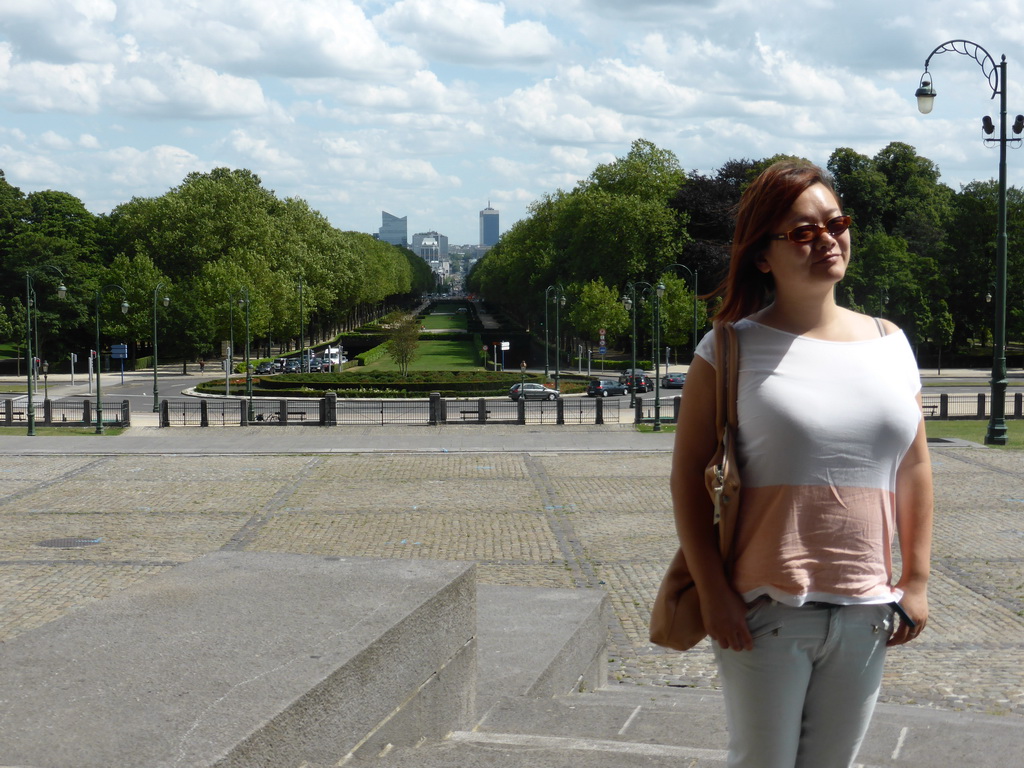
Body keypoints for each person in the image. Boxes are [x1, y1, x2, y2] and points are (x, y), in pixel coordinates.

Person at [669, 160, 933, 768]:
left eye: (835, 222)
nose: (827, 240)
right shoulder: (730, 347)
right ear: (763, 255)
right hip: (763, 609)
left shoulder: (891, 344)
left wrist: (915, 581)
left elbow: (914, 470)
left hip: (868, 609)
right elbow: (688, 476)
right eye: (801, 232)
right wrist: (713, 593)